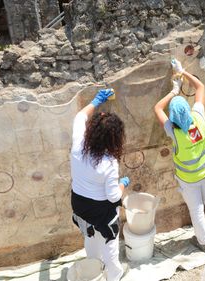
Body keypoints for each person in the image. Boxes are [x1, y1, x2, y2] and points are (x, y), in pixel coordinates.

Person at [154, 59, 205, 252]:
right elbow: (200, 86)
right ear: (187, 110)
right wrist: (183, 71)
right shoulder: (198, 116)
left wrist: (174, 91)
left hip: (189, 179)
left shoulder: (173, 131)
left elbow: (157, 109)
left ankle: (204, 243)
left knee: (196, 209)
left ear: (173, 117)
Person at [70, 88, 129, 281]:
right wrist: (123, 184)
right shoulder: (109, 163)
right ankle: (114, 275)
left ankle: (93, 267)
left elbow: (80, 117)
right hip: (101, 211)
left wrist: (96, 101)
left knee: (90, 236)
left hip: (79, 204)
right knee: (110, 244)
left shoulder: (78, 144)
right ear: (114, 139)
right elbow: (113, 197)